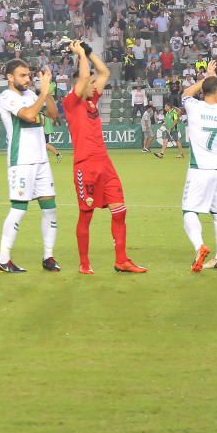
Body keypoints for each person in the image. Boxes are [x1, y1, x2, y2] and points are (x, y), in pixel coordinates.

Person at [64, 41, 147, 274]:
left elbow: (105, 72)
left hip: (105, 165)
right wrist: (80, 55)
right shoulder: (71, 103)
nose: (95, 84)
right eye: (92, 83)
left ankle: (121, 260)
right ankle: (84, 263)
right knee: (86, 214)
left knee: (120, 210)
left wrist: (89, 52)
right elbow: (82, 80)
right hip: (85, 167)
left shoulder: (92, 101)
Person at [0, 59, 60, 273]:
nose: (27, 79)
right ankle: (3, 258)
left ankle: (48, 256)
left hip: (41, 160)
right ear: (10, 78)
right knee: (19, 209)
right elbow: (29, 115)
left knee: (50, 209)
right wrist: (40, 95)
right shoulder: (7, 97)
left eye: (29, 75)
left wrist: (46, 90)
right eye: (22, 75)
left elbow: (53, 114)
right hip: (21, 161)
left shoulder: (32, 95)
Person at [180, 61, 217, 272]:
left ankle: (199, 246)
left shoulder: (194, 107)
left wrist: (205, 79)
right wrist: (216, 79)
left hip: (199, 169)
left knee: (189, 211)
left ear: (203, 91)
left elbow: (186, 93)